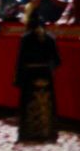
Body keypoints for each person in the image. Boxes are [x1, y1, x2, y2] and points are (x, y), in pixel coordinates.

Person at [15, 12, 63, 144]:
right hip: (45, 74)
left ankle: (29, 133)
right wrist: (49, 68)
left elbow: (20, 60)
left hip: (30, 74)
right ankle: (47, 133)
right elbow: (58, 61)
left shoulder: (25, 38)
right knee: (46, 104)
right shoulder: (50, 38)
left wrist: (18, 79)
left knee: (29, 103)